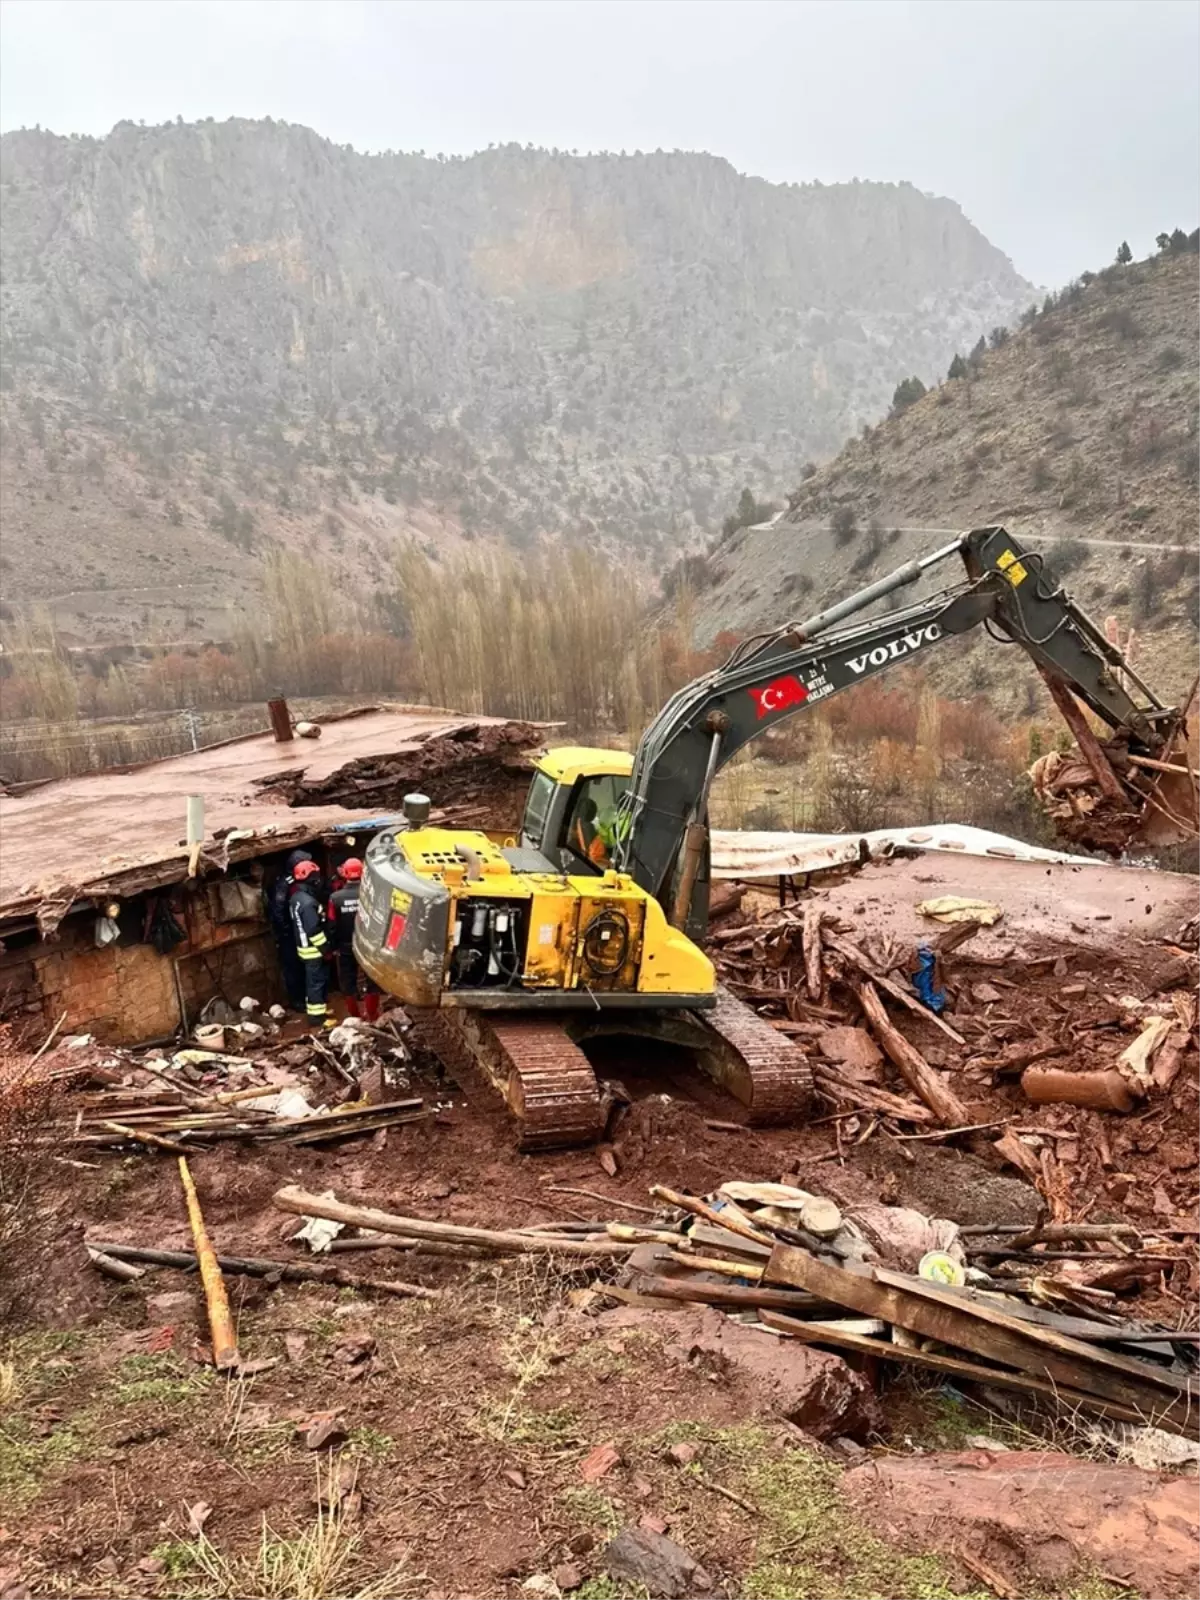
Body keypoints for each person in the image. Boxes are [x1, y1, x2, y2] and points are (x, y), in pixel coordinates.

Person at [327, 857, 382, 1021]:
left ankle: (355, 1016)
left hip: (345, 947)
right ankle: (372, 1014)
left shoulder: (335, 898)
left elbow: (331, 925)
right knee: (372, 980)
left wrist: (331, 946)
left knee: (347, 981)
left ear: (344, 874)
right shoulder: (373, 895)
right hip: (368, 946)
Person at [288, 858, 332, 1028]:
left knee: (314, 981)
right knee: (316, 982)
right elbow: (313, 929)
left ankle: (318, 1011)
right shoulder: (308, 903)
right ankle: (317, 1019)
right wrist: (325, 949)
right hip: (313, 950)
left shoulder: (297, 897)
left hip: (305, 948)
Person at [268, 848, 312, 1010]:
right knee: (292, 967)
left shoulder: (298, 880)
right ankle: (297, 1001)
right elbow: (278, 909)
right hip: (289, 933)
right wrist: (286, 930)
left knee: (306, 965)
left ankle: (309, 997)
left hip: (300, 929)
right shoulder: (284, 883)